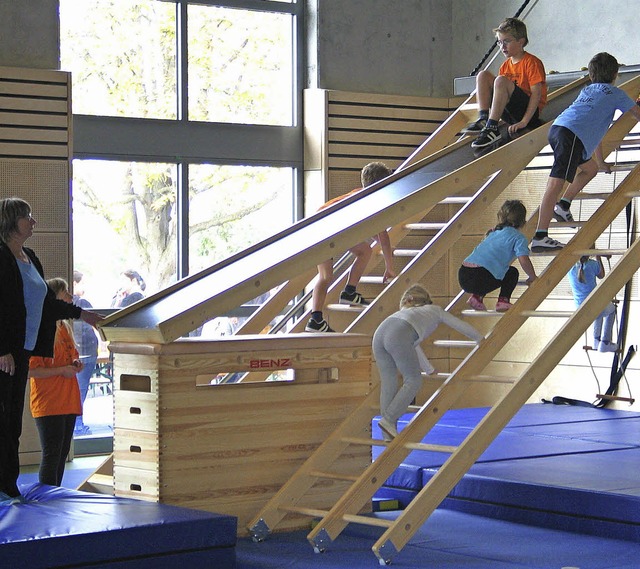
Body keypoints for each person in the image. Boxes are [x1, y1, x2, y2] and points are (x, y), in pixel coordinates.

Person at [0, 197, 102, 502]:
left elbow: (46, 304)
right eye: (28, 217)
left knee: (13, 424)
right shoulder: (1, 256)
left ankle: (9, 484)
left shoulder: (29, 256)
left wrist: (83, 314)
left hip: (24, 349)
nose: (33, 222)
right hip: (7, 351)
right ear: (12, 221)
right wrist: (2, 348)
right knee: (3, 421)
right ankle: (3, 487)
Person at [531, 52, 640, 252]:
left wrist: (600, 162)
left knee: (590, 168)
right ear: (615, 74)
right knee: (555, 183)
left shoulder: (589, 90)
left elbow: (593, 132)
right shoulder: (616, 94)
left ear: (591, 75)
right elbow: (636, 113)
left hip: (562, 130)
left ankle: (563, 205)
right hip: (571, 135)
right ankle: (540, 235)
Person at [373, 284, 483, 440]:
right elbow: (459, 325)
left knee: (388, 381)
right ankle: (389, 419)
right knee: (413, 380)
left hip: (380, 333)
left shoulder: (404, 312)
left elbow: (412, 345)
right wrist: (479, 338)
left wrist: (428, 368)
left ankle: (387, 434)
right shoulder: (435, 310)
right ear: (427, 301)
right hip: (398, 334)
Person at [305, 162, 397, 332]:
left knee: (326, 276)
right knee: (364, 251)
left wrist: (386, 251)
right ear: (382, 184)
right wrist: (390, 267)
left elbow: (376, 233)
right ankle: (348, 292)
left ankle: (315, 319)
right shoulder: (371, 201)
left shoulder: (358, 194)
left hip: (319, 227)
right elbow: (383, 236)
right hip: (327, 228)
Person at [29, 278, 84, 486]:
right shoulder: (42, 329)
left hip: (67, 400)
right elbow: (32, 370)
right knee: (51, 454)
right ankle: (46, 500)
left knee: (61, 454)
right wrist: (62, 370)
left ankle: (56, 495)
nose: (70, 297)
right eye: (65, 292)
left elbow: (72, 356)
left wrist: (75, 364)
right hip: (49, 402)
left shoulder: (64, 327)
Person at [462, 17, 547, 149]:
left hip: (528, 112)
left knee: (500, 80)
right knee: (483, 75)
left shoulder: (532, 62)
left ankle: (492, 127)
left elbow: (537, 94)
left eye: (507, 41)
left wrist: (525, 121)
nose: (502, 47)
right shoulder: (505, 66)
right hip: (510, 111)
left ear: (521, 42)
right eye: (499, 42)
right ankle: (484, 118)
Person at [458, 200, 537, 312]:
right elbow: (523, 259)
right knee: (511, 273)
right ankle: (503, 301)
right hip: (480, 277)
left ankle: (476, 297)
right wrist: (532, 276)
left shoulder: (494, 232)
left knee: (492, 267)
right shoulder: (518, 237)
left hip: (463, 275)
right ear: (523, 222)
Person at [568, 252, 617, 353]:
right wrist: (598, 257)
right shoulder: (592, 264)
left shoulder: (571, 267)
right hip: (594, 303)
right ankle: (605, 342)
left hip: (580, 306)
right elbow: (601, 275)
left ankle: (596, 340)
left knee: (597, 314)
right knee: (611, 310)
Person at [72, 270, 99, 436]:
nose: (85, 287)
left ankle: (76, 424)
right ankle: (78, 424)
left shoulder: (71, 304)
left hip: (79, 353)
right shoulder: (81, 303)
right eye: (82, 283)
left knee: (77, 391)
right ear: (74, 283)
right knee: (81, 391)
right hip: (86, 354)